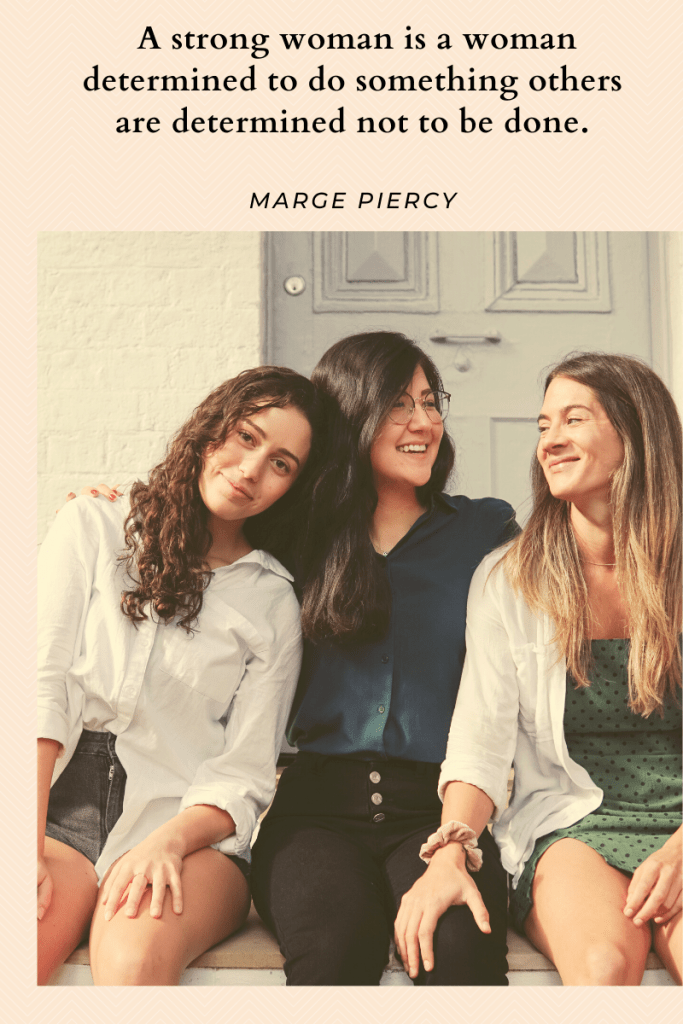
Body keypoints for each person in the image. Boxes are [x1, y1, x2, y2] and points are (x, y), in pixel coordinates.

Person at [394, 352, 682, 986]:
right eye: (543, 424)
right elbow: (481, 738)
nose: (550, 440)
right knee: (602, 966)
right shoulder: (510, 578)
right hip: (575, 822)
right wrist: (451, 847)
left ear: (635, 435)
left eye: (573, 420)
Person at [249, 332, 518, 985]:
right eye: (399, 404)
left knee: (457, 951)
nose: (424, 422)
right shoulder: (290, 534)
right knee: (335, 951)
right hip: (314, 811)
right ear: (351, 414)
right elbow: (195, 541)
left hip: (438, 809)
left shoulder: (485, 531)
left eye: (430, 401)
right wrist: (108, 513)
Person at [38, 366, 322, 985]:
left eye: (281, 464)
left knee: (134, 962)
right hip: (55, 807)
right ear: (210, 430)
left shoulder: (271, 599)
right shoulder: (94, 525)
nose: (251, 470)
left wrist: (167, 841)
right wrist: (22, 837)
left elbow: (246, 771)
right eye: (246, 437)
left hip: (184, 825)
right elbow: (43, 684)